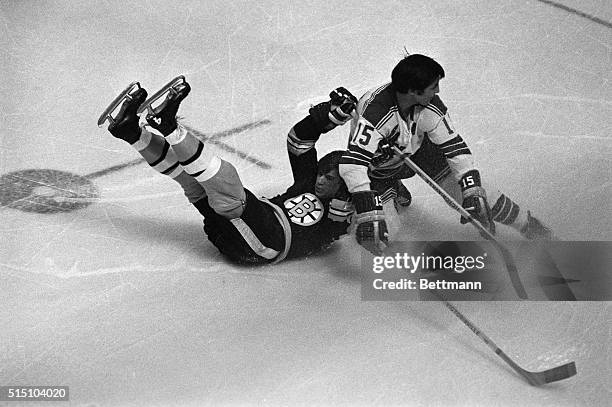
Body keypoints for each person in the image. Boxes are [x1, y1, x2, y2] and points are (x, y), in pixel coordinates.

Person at [100, 77, 361, 264]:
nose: (320, 179)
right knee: (192, 180)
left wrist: (372, 167)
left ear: (344, 187)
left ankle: (166, 124)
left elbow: (368, 209)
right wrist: (326, 117)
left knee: (228, 185)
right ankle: (129, 131)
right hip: (249, 227)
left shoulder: (345, 213)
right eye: (321, 171)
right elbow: (299, 141)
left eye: (329, 177)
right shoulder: (310, 181)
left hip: (264, 245)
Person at [339, 54, 554, 254]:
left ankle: (528, 224)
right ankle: (379, 197)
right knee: (386, 235)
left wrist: (471, 189)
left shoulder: (429, 105)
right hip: (379, 170)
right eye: (433, 87)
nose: (438, 92)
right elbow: (353, 165)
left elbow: (455, 147)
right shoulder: (375, 112)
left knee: (477, 196)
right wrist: (367, 211)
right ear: (414, 91)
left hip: (419, 150)